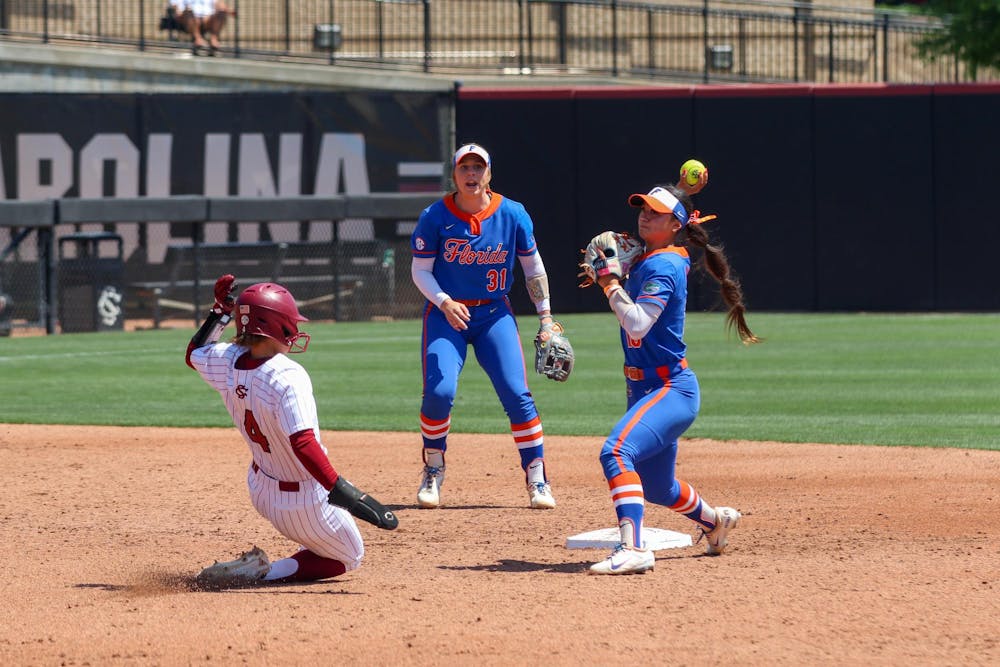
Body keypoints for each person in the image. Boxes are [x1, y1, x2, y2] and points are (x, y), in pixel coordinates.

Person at [583, 176, 760, 575]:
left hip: (670, 388)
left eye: (657, 213)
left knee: (615, 452)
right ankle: (715, 522)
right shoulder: (653, 259)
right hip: (646, 385)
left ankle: (633, 548)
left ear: (676, 224)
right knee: (659, 487)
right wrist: (622, 273)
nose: (645, 216)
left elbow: (639, 324)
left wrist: (610, 282)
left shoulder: (663, 265)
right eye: (643, 208)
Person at [186, 275, 397, 587]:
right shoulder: (287, 375)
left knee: (321, 539)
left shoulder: (227, 359)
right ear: (274, 327)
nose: (295, 329)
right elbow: (303, 443)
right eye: (289, 323)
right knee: (349, 555)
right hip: (301, 501)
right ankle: (257, 572)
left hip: (260, 486)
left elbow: (194, 353)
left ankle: (309, 540)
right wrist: (344, 492)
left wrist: (219, 313)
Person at [409, 143, 562, 510]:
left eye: (479, 168)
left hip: (494, 314)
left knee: (516, 392)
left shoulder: (513, 214)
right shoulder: (434, 217)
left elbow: (533, 269)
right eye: (465, 168)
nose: (472, 174)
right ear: (455, 175)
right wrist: (444, 301)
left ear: (489, 174)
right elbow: (420, 271)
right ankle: (433, 467)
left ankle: (537, 477)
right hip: (447, 315)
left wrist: (546, 318)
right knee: (439, 391)